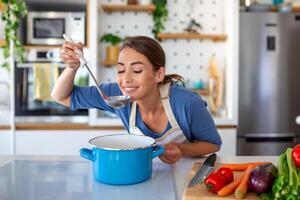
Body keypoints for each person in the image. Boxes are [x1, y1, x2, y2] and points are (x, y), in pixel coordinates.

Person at [51, 36, 222, 164]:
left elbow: (213, 144)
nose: (125, 79)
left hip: (186, 173)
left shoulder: (186, 103)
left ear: (158, 74)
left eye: (137, 70)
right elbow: (61, 96)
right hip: (145, 173)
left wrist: (181, 150)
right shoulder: (115, 95)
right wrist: (71, 67)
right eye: (120, 70)